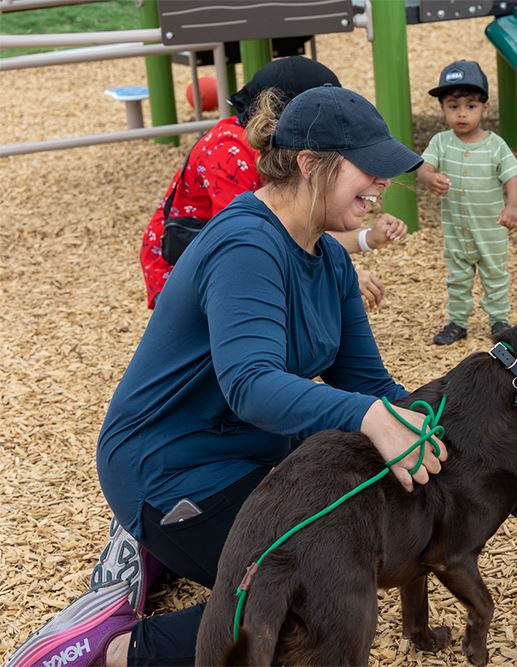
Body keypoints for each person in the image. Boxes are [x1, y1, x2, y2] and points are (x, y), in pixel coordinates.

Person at [7, 84, 447, 667]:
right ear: (312, 165)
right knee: (307, 597)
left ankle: (155, 552)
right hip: (167, 464)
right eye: (370, 168)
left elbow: (367, 380)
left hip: (248, 452)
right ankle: (110, 649)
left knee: (346, 537)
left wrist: (455, 427)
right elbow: (251, 383)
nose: (383, 183)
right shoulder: (247, 245)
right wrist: (371, 418)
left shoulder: (330, 256)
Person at [139, 55, 405, 311]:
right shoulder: (228, 149)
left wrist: (365, 241)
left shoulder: (284, 153)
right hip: (181, 261)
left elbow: (299, 230)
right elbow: (245, 239)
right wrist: (337, 278)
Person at [416, 59, 517, 345]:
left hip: (491, 229)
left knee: (494, 276)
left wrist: (512, 206)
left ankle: (499, 320)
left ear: (485, 108)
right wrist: (429, 179)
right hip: (456, 230)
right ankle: (457, 321)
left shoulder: (494, 145)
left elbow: (512, 177)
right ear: (442, 109)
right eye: (453, 106)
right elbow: (423, 167)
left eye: (470, 106)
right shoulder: (441, 142)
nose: (461, 114)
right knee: (458, 277)